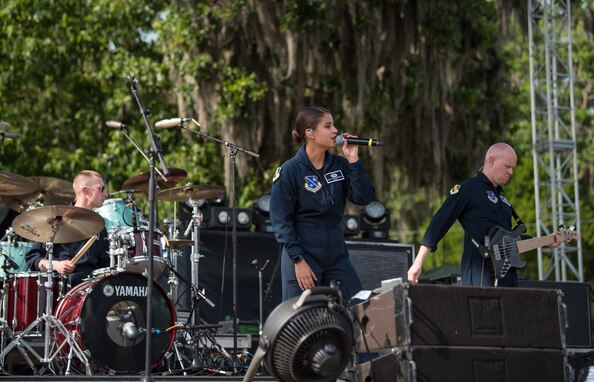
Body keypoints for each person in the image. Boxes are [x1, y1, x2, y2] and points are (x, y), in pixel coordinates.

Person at [407, 142, 562, 287]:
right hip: (480, 269)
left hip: (507, 273)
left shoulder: (503, 199)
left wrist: (548, 241)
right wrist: (419, 261)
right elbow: (439, 222)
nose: (511, 172)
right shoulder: (468, 189)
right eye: (507, 166)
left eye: (513, 168)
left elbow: (510, 238)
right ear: (491, 161)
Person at [270, 106, 375, 302]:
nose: (335, 130)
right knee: (303, 317)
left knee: (358, 305)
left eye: (334, 125)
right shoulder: (290, 170)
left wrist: (353, 160)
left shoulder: (340, 164)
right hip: (304, 253)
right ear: (310, 133)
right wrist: (297, 260)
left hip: (336, 253)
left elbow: (363, 198)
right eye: (328, 126)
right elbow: (281, 221)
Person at [26, 170, 110, 286]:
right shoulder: (56, 220)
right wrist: (55, 265)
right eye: (101, 189)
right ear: (86, 191)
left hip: (91, 289)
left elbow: (105, 267)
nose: (106, 194)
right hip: (62, 287)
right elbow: (32, 258)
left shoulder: (100, 227)